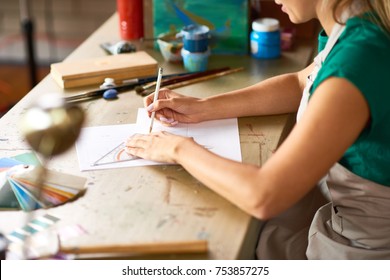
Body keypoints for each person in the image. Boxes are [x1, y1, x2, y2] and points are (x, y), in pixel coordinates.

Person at [125, 0, 390, 259]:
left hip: (363, 250)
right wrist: (204, 107)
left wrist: (177, 148)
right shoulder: (360, 23)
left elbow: (264, 195)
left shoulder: (356, 63)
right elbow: (302, 82)